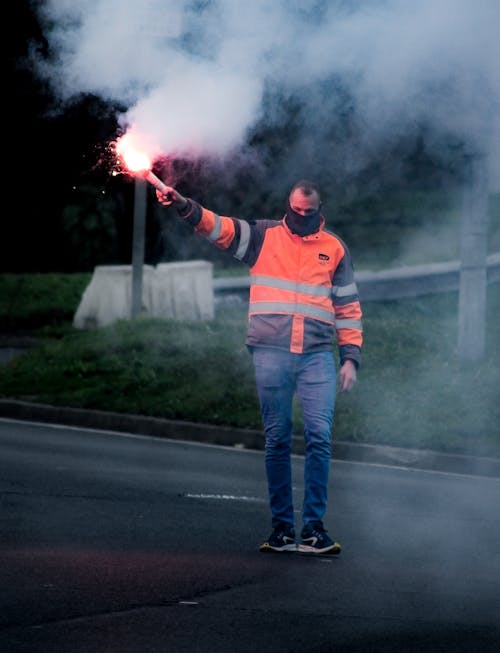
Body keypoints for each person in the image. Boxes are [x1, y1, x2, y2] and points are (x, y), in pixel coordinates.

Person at [156, 179, 362, 555]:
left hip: (316, 355)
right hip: (270, 353)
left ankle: (314, 529)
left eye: (308, 212)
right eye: (296, 211)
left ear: (319, 209)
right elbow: (216, 226)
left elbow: (348, 308)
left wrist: (350, 358)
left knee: (319, 437)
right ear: (289, 204)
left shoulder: (334, 248)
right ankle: (282, 530)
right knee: (278, 439)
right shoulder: (263, 236)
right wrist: (182, 203)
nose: (301, 217)